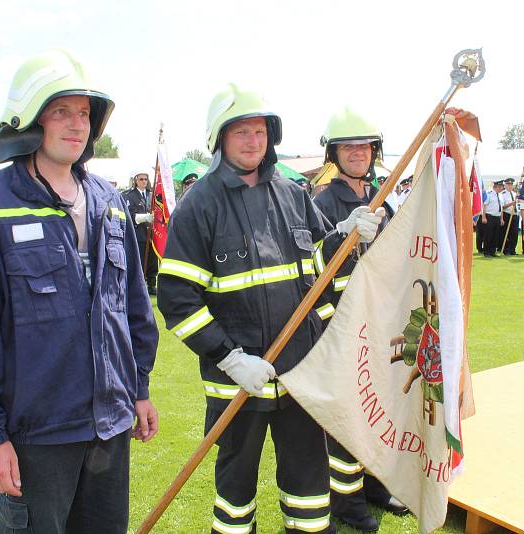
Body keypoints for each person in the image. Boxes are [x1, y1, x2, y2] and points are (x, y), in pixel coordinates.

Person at [0, 49, 159, 534]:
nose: (77, 125)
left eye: (84, 114)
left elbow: (133, 308)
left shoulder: (108, 201)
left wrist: (137, 389)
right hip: (37, 436)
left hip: (109, 428)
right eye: (61, 111)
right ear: (29, 119)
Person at [158, 84, 380, 534]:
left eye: (260, 131)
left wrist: (347, 241)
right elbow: (178, 301)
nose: (252, 141)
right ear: (218, 138)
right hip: (236, 382)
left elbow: (322, 274)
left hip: (300, 374)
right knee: (236, 491)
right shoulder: (197, 206)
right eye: (241, 131)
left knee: (308, 484)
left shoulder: (294, 193)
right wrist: (229, 358)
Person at [312, 107, 399, 532]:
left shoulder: (383, 198)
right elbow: (313, 266)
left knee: (378, 409)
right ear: (334, 153)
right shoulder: (322, 201)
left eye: (364, 146)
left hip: (379, 320)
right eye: (349, 147)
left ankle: (377, 487)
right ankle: (347, 502)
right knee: (349, 417)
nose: (358, 153)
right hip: (340, 325)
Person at [123, 170, 158, 295]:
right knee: (140, 260)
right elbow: (129, 215)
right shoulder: (128, 195)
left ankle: (152, 284)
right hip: (139, 234)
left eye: (145, 179)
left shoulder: (151, 195)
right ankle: (140, 283)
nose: (144, 181)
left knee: (152, 261)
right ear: (135, 180)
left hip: (152, 234)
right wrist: (144, 217)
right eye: (141, 179)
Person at [482, 181, 504, 257]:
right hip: (490, 216)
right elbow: (484, 206)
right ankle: (486, 252)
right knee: (488, 235)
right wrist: (484, 217)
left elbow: (501, 208)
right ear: (496, 187)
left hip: (497, 217)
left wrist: (501, 219)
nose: (502, 188)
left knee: (496, 235)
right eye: (500, 187)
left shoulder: (500, 195)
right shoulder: (489, 194)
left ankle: (493, 251)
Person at [499, 178, 519, 255]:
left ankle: (512, 250)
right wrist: (511, 203)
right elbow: (502, 207)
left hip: (515, 215)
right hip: (507, 215)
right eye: (508, 184)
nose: (510, 186)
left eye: (511, 185)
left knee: (514, 234)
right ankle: (506, 250)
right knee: (506, 233)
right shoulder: (502, 194)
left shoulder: (515, 194)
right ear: (505, 185)